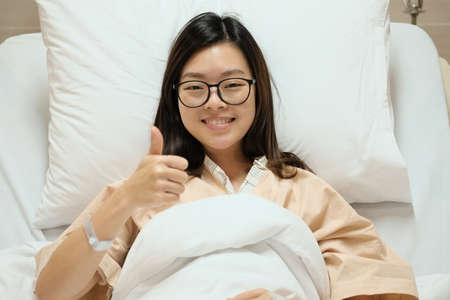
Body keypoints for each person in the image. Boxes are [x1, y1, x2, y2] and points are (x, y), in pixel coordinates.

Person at [33, 12, 418, 300]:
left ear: (257, 91)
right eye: (196, 87)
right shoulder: (142, 191)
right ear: (175, 97)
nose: (215, 102)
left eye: (232, 85)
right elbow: (53, 291)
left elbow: (374, 283)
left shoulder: (303, 191)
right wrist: (125, 200)